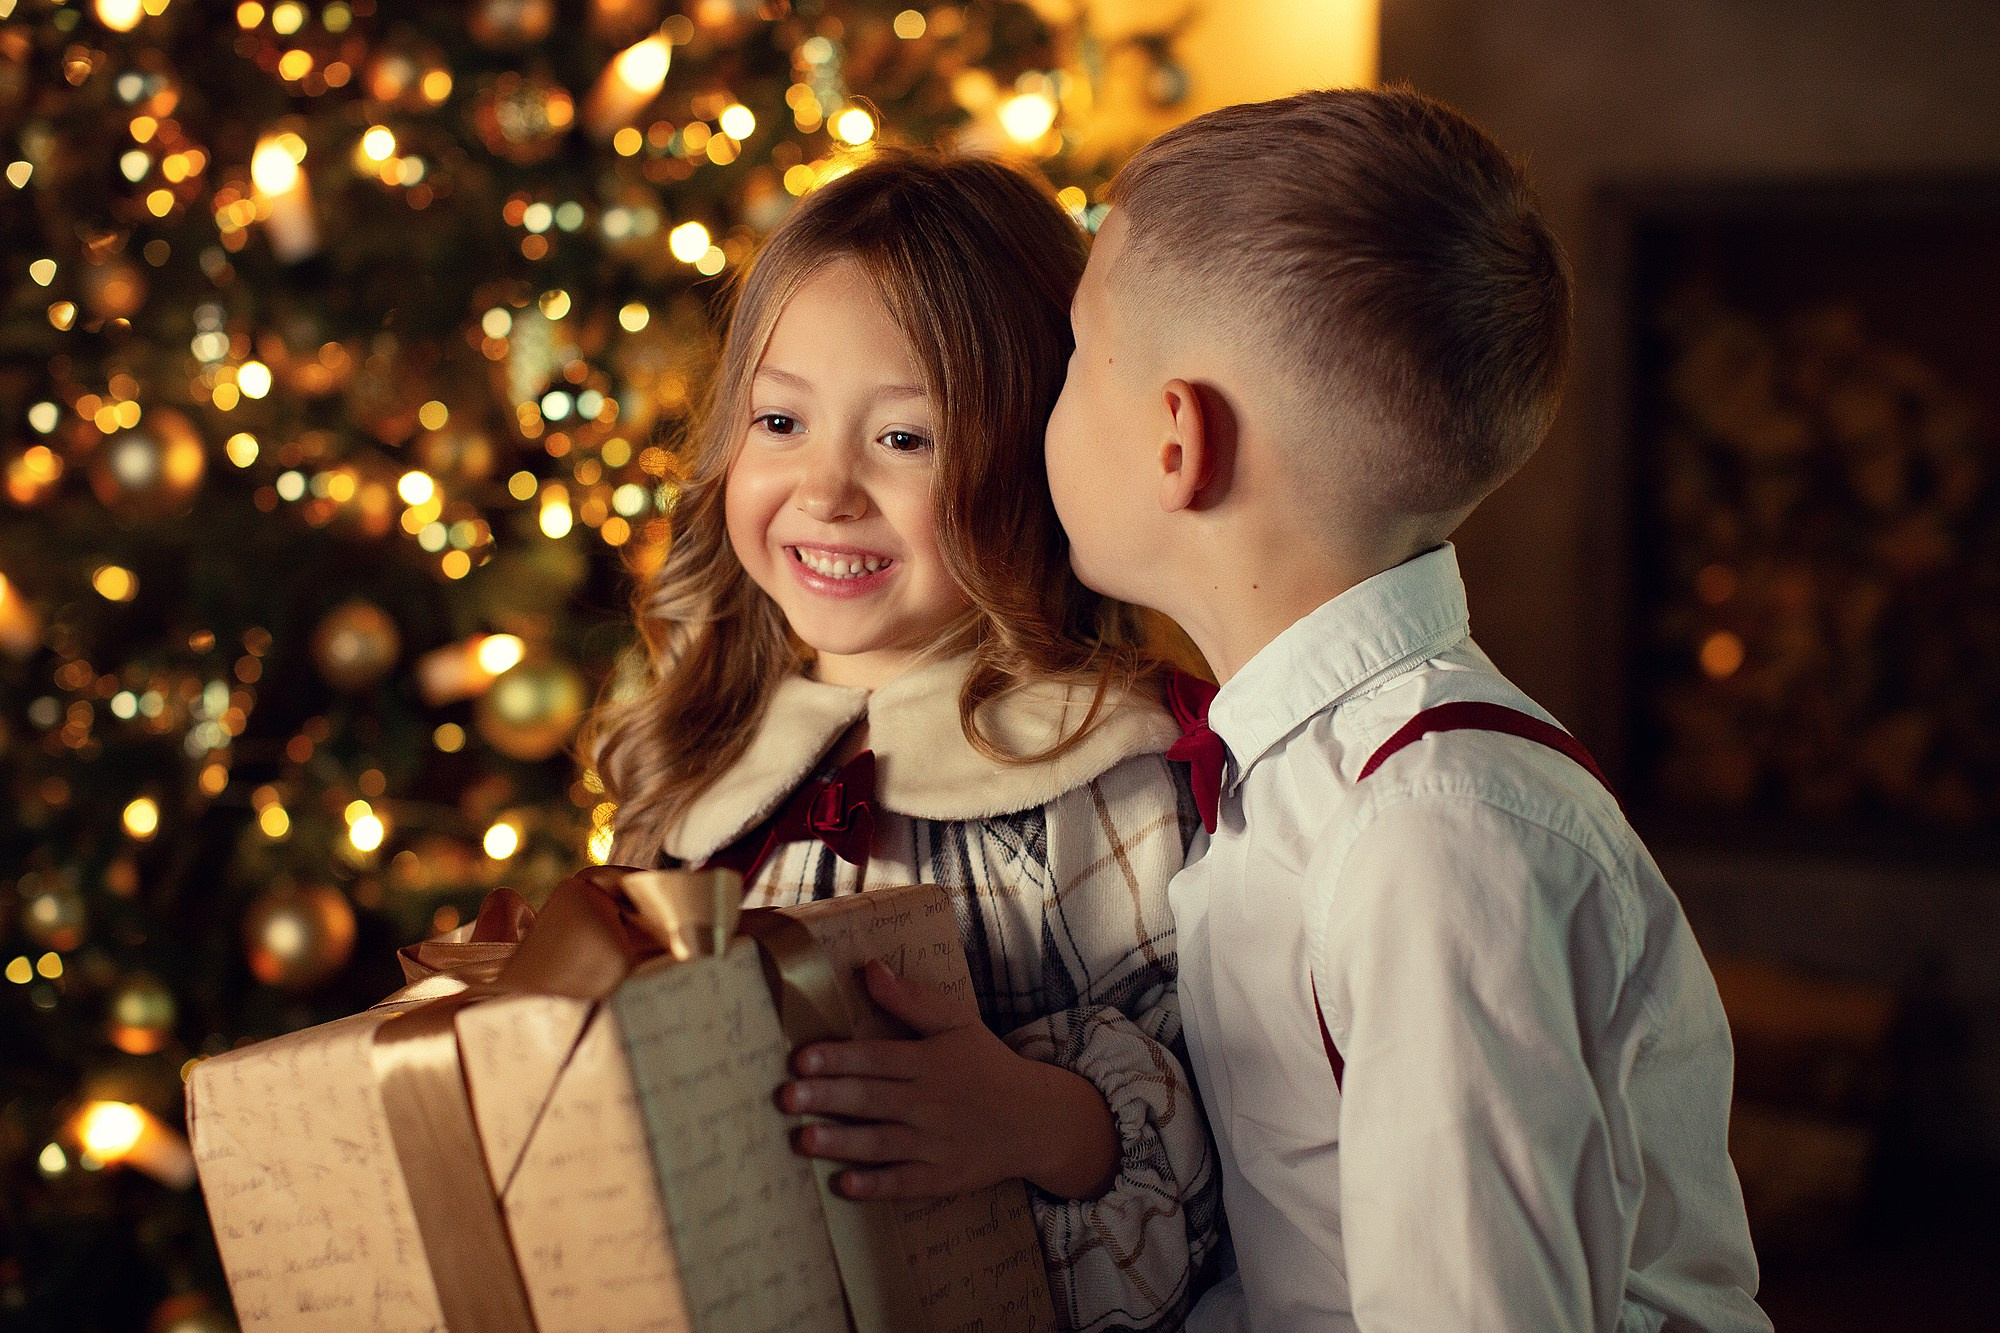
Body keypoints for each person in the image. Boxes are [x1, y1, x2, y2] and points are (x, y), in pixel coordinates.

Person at [1044, 88, 1770, 1331]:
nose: (1047, 402)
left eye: (1073, 353)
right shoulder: (1304, 778)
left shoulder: (1424, 831)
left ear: (1178, 441)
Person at [587, 148, 1220, 1332]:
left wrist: (1036, 1119)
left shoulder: (1099, 774)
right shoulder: (699, 771)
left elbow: (1225, 1162)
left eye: (904, 440)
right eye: (780, 419)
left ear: (1027, 457)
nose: (824, 489)